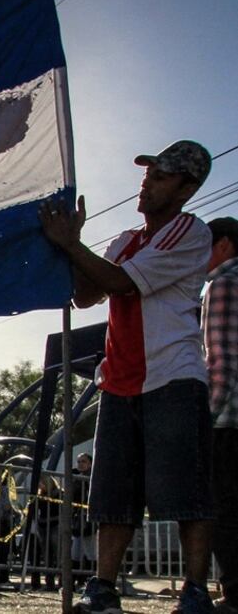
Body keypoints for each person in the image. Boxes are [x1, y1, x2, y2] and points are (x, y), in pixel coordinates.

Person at [39, 140, 215, 614]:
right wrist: (68, 250)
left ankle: (195, 589)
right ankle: (103, 588)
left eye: (160, 176)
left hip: (172, 376)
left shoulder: (188, 233)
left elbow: (118, 283)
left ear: (186, 188)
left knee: (186, 490)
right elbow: (86, 296)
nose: (147, 181)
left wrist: (72, 245)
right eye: (148, 172)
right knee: (112, 493)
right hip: (118, 379)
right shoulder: (124, 240)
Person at [203, 216, 238, 613]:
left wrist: (205, 420)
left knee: (225, 508)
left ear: (224, 245)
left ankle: (235, 592)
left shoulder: (224, 283)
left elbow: (221, 360)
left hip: (228, 419)